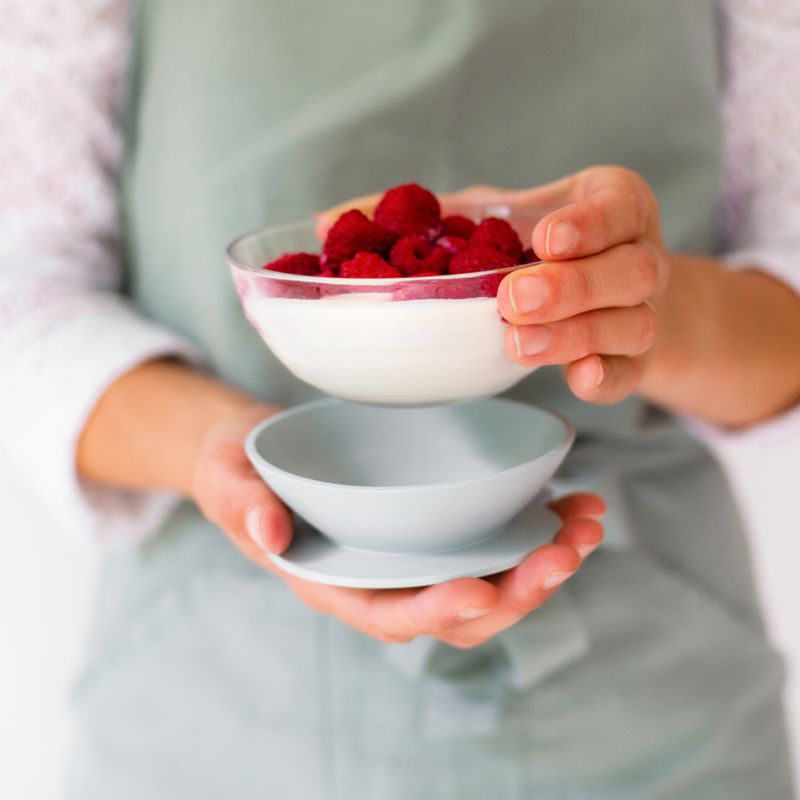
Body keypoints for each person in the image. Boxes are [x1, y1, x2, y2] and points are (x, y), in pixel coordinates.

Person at [3, 1, 799, 797]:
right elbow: (23, 295)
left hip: (654, 690)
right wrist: (223, 452)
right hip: (214, 687)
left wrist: (641, 308)